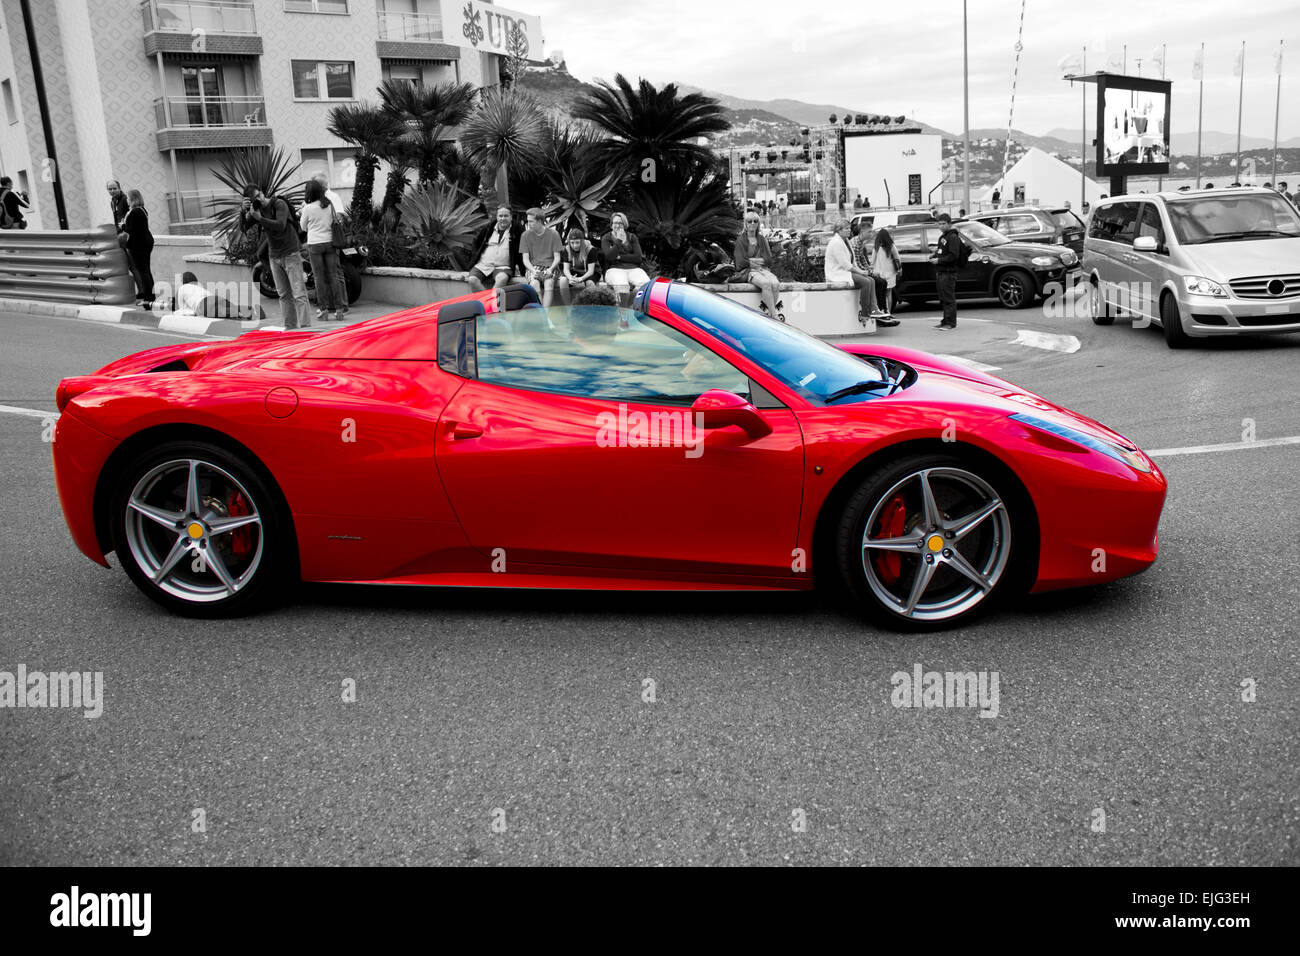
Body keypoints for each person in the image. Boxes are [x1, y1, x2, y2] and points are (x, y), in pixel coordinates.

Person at [240, 183, 309, 329]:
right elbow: (244, 228)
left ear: (262, 192)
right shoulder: (256, 210)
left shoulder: (279, 203)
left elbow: (280, 225)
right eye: (254, 199)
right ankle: (290, 327)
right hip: (274, 255)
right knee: (283, 295)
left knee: (299, 294)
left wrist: (260, 218)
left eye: (259, 195)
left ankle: (306, 328)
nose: (259, 199)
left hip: (290, 252)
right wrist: (242, 211)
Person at [826, 218, 883, 328]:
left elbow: (853, 261)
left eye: (849, 228)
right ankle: (866, 313)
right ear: (839, 230)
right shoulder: (836, 243)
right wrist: (860, 272)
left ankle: (874, 309)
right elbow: (844, 264)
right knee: (866, 282)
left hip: (846, 271)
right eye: (846, 229)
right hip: (837, 273)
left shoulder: (846, 241)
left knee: (871, 280)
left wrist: (862, 271)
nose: (849, 231)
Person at [300, 180, 342, 322]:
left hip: (315, 244)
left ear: (309, 192)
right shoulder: (329, 204)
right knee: (333, 276)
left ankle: (323, 309)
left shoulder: (308, 207)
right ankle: (339, 309)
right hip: (330, 242)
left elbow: (303, 227)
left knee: (319, 278)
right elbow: (334, 221)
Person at [733, 211, 783, 320]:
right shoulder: (741, 240)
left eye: (755, 221)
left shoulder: (761, 239)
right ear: (745, 224)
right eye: (749, 221)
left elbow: (768, 260)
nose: (752, 223)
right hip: (749, 271)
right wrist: (759, 261)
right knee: (765, 284)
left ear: (758, 223)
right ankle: (774, 316)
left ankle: (770, 314)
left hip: (763, 269)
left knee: (775, 283)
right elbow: (741, 261)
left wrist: (752, 260)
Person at [312, 171, 348, 318]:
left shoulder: (332, 197)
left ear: (320, 186)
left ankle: (343, 305)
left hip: (331, 239)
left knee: (336, 273)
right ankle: (334, 305)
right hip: (327, 239)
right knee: (330, 274)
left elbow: (339, 216)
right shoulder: (319, 199)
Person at [172, 271, 264, 321]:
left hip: (203, 304)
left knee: (223, 312)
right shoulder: (199, 287)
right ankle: (251, 309)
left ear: (183, 282)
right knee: (231, 306)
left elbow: (183, 310)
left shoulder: (182, 288)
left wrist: (176, 313)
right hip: (215, 298)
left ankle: (243, 314)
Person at [600, 212, 650, 305]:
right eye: (615, 223)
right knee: (622, 287)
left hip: (633, 269)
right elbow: (610, 257)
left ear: (625, 224)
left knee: (646, 286)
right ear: (611, 225)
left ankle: (627, 305)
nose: (618, 225)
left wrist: (619, 257)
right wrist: (619, 240)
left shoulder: (632, 237)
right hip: (614, 269)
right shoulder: (606, 238)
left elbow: (638, 257)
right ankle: (623, 315)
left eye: (620, 223)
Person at [467, 206, 518, 292]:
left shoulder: (517, 230)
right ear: (497, 217)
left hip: (503, 267)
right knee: (472, 279)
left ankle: (489, 303)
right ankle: (490, 301)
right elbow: (476, 243)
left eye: (506, 216)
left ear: (511, 217)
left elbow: (523, 249)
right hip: (483, 265)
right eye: (500, 216)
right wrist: (476, 256)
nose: (503, 218)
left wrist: (519, 267)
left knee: (501, 279)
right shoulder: (488, 229)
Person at [520, 207, 562, 308]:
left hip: (550, 266)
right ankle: (543, 314)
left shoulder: (554, 234)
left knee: (549, 283)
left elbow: (557, 258)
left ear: (539, 221)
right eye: (528, 221)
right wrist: (533, 270)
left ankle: (545, 315)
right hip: (533, 267)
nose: (528, 224)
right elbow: (525, 259)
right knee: (534, 283)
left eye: (531, 221)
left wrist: (551, 269)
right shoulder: (525, 235)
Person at [120, 189, 156, 305]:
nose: (127, 200)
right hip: (145, 242)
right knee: (146, 269)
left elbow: (132, 230)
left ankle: (148, 298)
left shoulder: (135, 212)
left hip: (139, 244)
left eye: (128, 198)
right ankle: (150, 295)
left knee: (143, 271)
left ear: (132, 199)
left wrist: (123, 226)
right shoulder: (142, 210)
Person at [930, 213, 961, 329]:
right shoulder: (943, 237)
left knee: (948, 298)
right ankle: (945, 320)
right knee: (943, 298)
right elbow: (942, 251)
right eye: (939, 224)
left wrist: (939, 261)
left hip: (949, 272)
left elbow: (954, 256)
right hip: (941, 272)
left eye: (944, 224)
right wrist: (934, 254)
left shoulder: (953, 237)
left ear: (949, 224)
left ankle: (951, 322)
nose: (941, 226)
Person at [558, 228, 598, 304]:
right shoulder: (567, 249)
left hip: (590, 272)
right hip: (576, 270)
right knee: (563, 280)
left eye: (577, 242)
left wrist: (581, 279)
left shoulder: (591, 250)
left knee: (589, 283)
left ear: (582, 241)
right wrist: (570, 278)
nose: (575, 245)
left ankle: (589, 306)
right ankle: (568, 307)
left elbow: (591, 271)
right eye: (572, 243)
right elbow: (566, 269)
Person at [871, 227, 902, 319]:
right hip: (891, 272)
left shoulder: (876, 247)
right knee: (889, 293)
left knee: (882, 294)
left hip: (880, 273)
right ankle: (890, 312)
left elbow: (872, 261)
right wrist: (899, 269)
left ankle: (884, 311)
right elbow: (897, 258)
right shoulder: (891, 246)